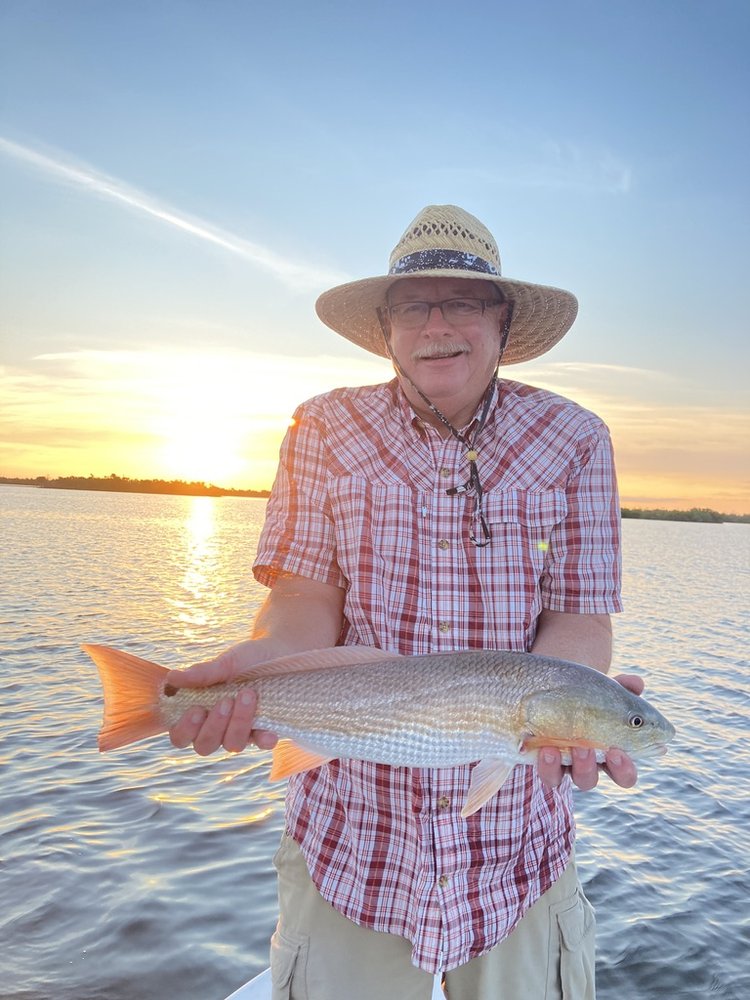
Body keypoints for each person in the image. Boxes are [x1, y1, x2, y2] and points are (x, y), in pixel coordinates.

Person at [168, 205, 641, 1000]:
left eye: (463, 301)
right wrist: (262, 665)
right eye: (412, 305)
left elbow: (582, 617)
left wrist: (572, 706)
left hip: (516, 853)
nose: (437, 325)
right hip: (350, 841)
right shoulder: (323, 426)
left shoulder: (576, 437)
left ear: (502, 320)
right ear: (386, 329)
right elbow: (304, 603)